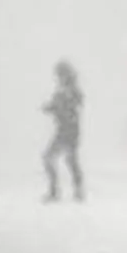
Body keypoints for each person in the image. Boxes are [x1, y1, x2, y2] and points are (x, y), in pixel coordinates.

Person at [42, 60, 84, 202]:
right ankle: (75, 190)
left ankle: (58, 191)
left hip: (68, 129)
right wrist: (50, 108)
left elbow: (73, 105)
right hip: (67, 129)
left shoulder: (70, 89)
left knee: (53, 158)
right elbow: (60, 106)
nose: (57, 77)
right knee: (67, 159)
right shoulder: (65, 89)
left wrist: (56, 108)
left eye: (59, 74)